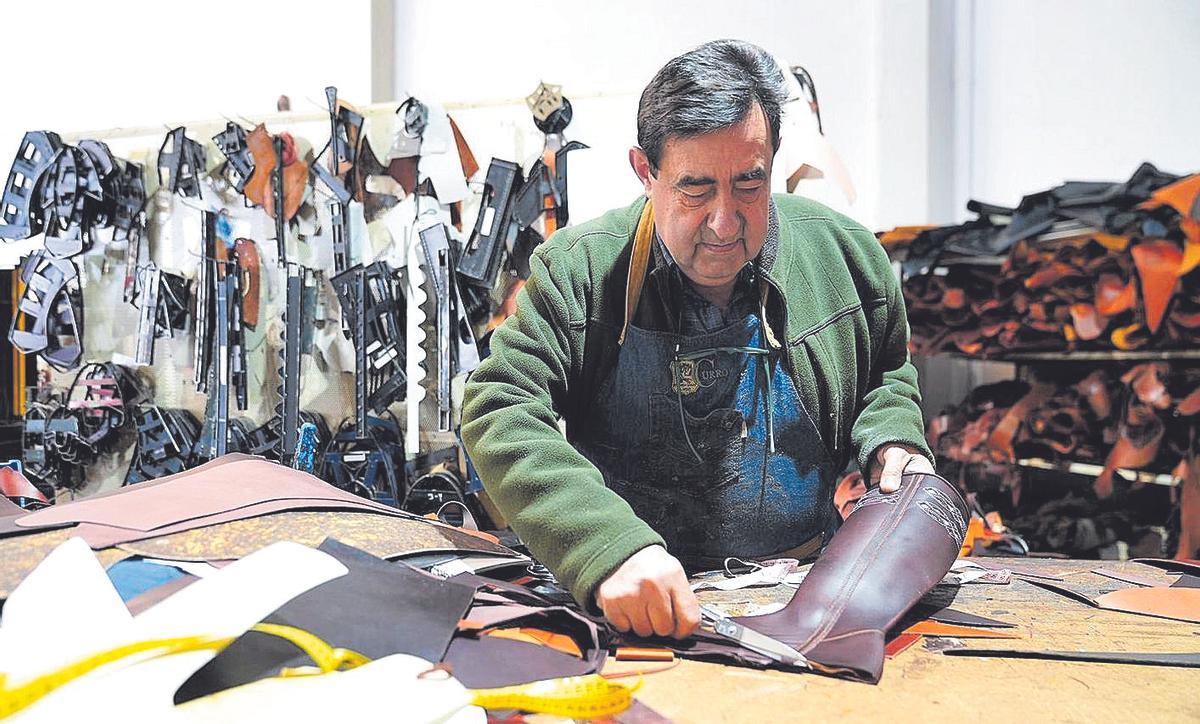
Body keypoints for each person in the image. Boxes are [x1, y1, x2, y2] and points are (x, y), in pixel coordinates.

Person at [461, 39, 933, 640]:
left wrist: (893, 438)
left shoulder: (846, 257)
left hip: (802, 598)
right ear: (645, 172)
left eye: (748, 184)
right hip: (636, 605)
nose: (724, 222)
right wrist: (606, 548)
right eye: (695, 189)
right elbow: (499, 406)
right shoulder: (580, 269)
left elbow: (886, 371)